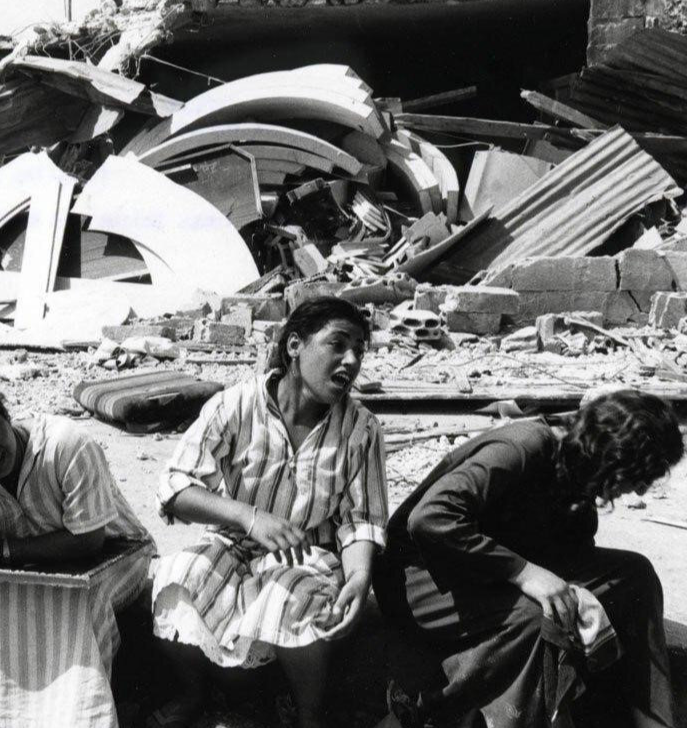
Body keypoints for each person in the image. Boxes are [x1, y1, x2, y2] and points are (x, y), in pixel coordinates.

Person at [373, 389, 683, 728]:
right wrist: (524, 573)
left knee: (635, 575)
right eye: (640, 476)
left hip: (482, 570)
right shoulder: (525, 444)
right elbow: (430, 519)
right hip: (419, 579)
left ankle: (652, 720)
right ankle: (434, 708)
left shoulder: (580, 473)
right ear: (614, 454)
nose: (639, 491)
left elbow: (572, 549)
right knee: (538, 615)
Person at [149, 296, 388, 728]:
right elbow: (174, 486)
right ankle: (192, 693)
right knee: (177, 576)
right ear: (295, 345)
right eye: (337, 344)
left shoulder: (361, 429)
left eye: (359, 350)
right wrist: (248, 517)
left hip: (306, 557)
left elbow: (362, 521)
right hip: (234, 544)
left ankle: (309, 716)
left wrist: (358, 577)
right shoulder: (235, 405)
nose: (352, 361)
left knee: (286, 594)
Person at [0, 370, 153, 728]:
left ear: (4, 412)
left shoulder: (66, 444)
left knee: (72, 601)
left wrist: (6, 551)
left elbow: (88, 540)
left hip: (119, 557)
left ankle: (79, 718)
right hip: (42, 567)